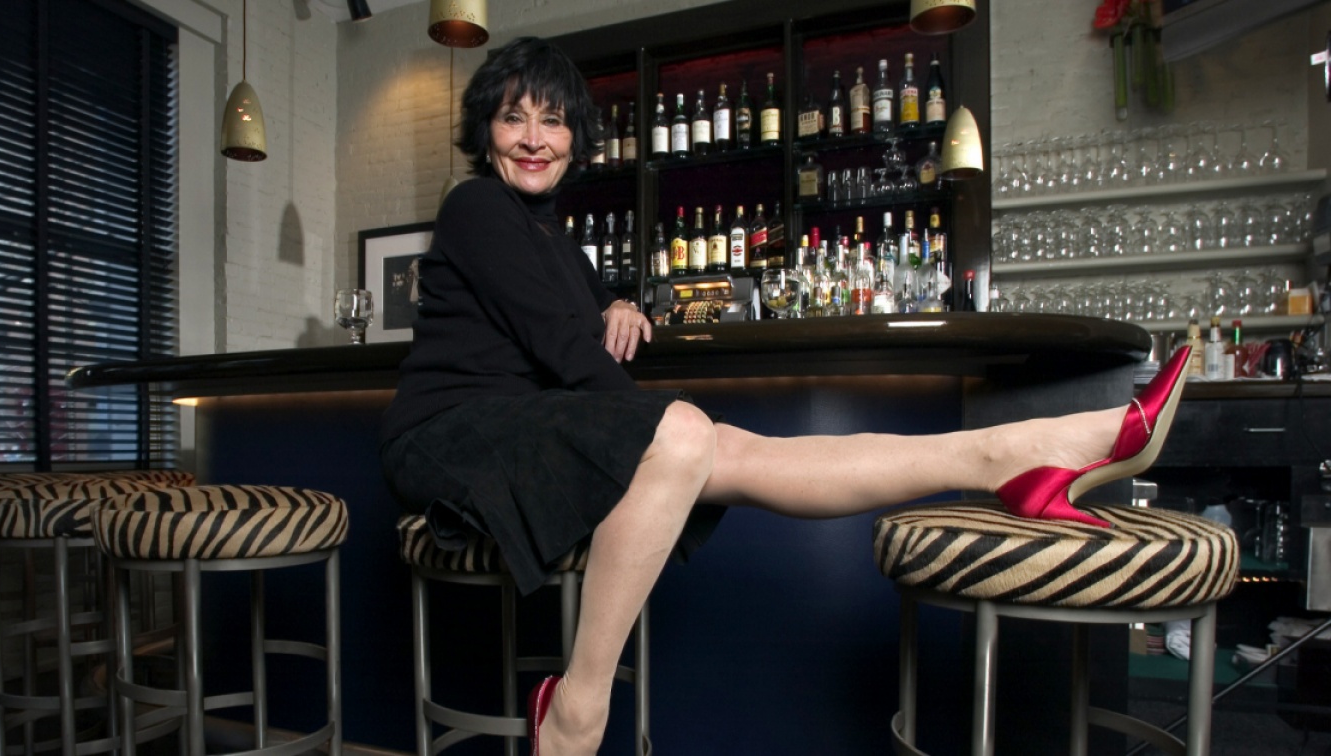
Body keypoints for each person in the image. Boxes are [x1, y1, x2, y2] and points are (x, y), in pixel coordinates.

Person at [380, 36, 1191, 756]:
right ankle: (575, 716)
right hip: (449, 435)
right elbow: (556, 345)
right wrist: (652, 427)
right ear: (485, 130)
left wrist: (618, 308)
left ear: (575, 138)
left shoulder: (558, 241)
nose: (533, 138)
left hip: (523, 431)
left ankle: (1003, 456)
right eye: (513, 118)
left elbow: (574, 315)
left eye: (552, 121)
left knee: (720, 445)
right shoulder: (473, 204)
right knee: (686, 436)